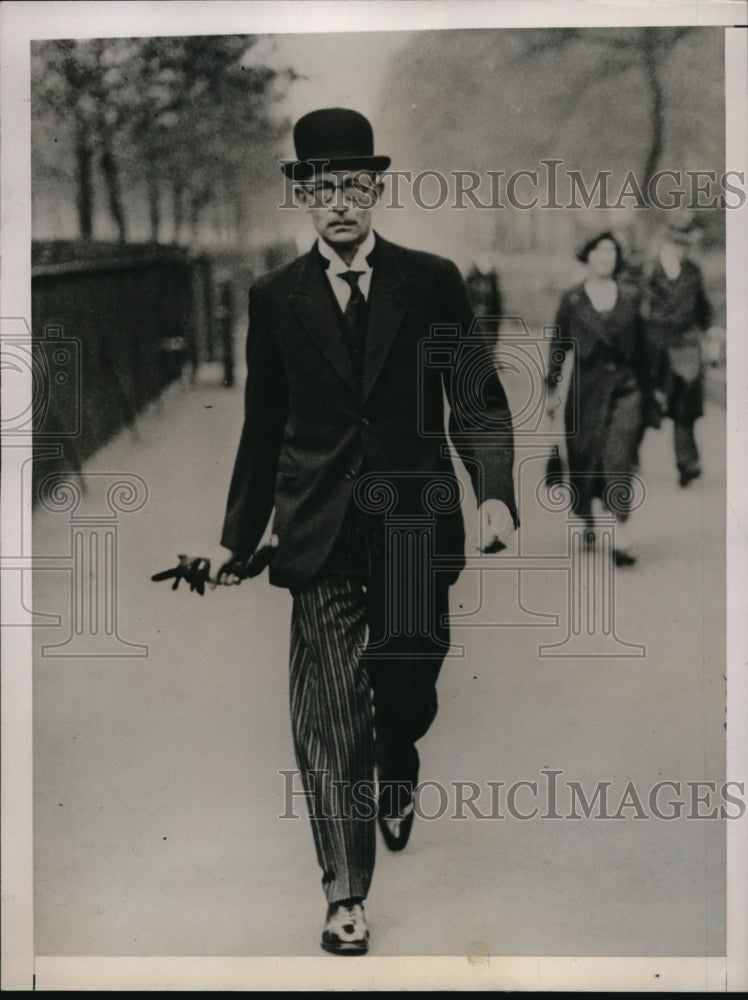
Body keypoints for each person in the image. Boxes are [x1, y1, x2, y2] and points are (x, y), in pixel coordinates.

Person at [199, 109, 517, 955]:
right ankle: (345, 894)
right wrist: (238, 538)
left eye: (353, 185)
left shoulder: (432, 280)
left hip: (415, 526)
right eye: (322, 186)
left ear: (377, 189)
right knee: (330, 713)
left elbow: (476, 398)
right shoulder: (277, 298)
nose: (339, 201)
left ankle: (400, 757)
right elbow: (262, 428)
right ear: (302, 195)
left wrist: (494, 495)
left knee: (403, 693)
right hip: (319, 533)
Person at [546, 231, 657, 566]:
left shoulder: (632, 296)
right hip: (585, 391)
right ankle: (589, 517)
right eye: (599, 251)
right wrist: (551, 391)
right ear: (588, 256)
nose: (606, 257)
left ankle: (620, 530)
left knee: (618, 458)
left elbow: (646, 348)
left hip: (626, 388)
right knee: (584, 457)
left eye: (611, 252)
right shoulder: (573, 300)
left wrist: (654, 390)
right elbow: (558, 347)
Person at [644, 213, 713, 487]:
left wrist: (711, 331)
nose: (682, 249)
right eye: (677, 243)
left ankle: (687, 462)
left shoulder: (694, 272)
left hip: (685, 346)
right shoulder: (651, 271)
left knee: (685, 405)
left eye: (686, 244)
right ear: (667, 243)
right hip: (656, 346)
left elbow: (703, 308)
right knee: (647, 403)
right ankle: (625, 454)